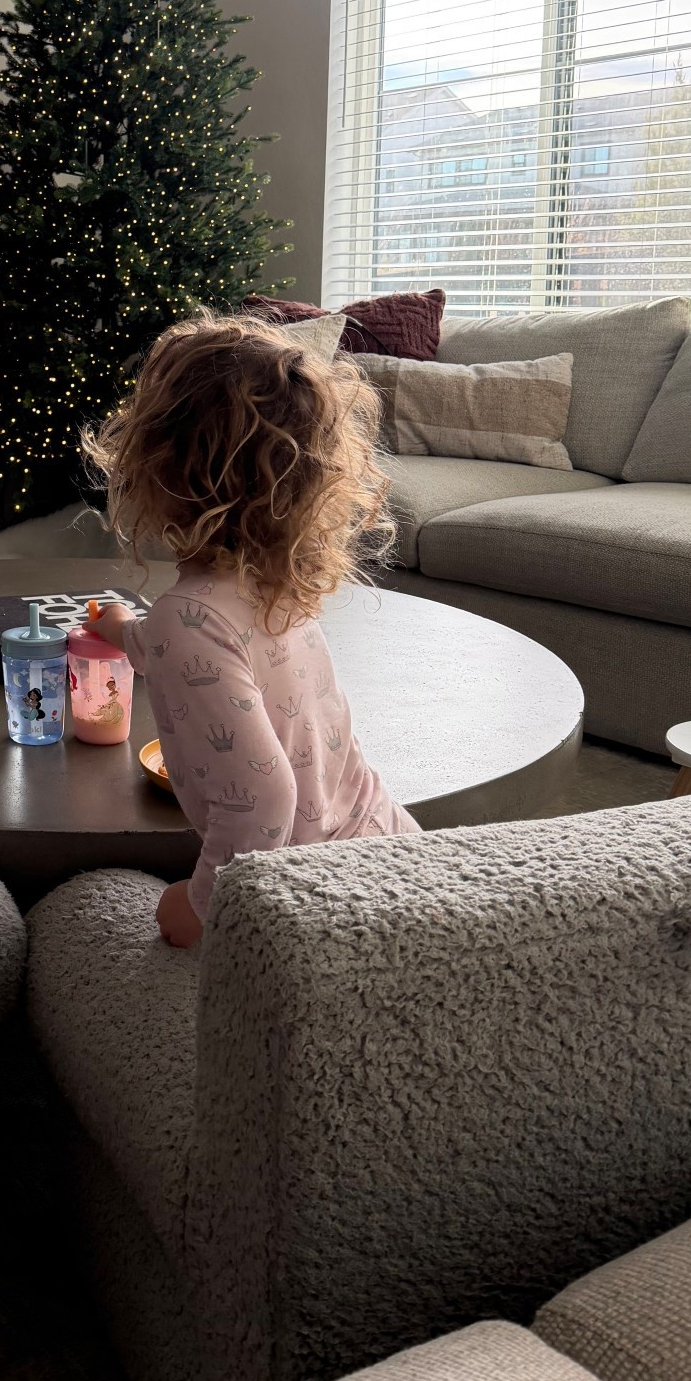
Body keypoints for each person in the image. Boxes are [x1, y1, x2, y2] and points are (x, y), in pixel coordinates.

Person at [84, 314, 420, 950]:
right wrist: (125, 632)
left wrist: (203, 906)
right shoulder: (271, 582)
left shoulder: (189, 619)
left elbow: (262, 799)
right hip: (383, 842)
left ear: (160, 463)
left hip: (308, 895)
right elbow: (217, 664)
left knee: (160, 913)